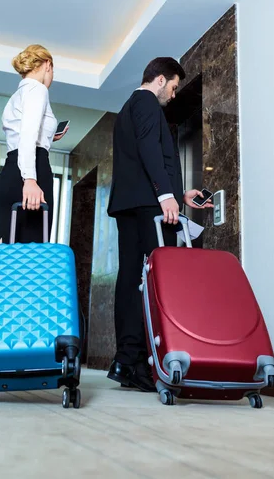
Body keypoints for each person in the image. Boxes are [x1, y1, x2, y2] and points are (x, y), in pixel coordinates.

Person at [107, 57, 213, 392]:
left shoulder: (128, 108)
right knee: (155, 281)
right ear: (160, 79)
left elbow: (144, 158)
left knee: (131, 278)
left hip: (131, 203)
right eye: (174, 86)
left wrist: (180, 194)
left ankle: (128, 360)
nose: (174, 93)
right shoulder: (147, 104)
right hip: (149, 207)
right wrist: (165, 195)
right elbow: (150, 149)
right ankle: (143, 361)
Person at [0, 44, 67, 245]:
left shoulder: (17, 96)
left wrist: (48, 138)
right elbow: (28, 135)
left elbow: (24, 135)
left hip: (8, 178)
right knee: (29, 262)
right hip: (31, 175)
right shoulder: (37, 89)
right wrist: (30, 180)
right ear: (48, 65)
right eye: (53, 71)